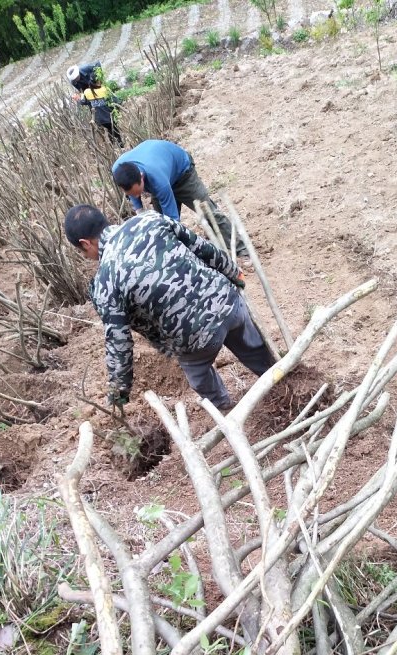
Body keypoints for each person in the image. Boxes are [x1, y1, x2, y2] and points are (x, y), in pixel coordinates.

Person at [64, 204, 275, 412]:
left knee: (198, 374)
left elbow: (119, 343)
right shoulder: (150, 219)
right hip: (228, 304)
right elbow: (203, 248)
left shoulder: (104, 282)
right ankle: (279, 381)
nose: (87, 257)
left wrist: (119, 392)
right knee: (253, 347)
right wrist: (234, 274)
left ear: (85, 243)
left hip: (195, 340)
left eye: (83, 253)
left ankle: (225, 409)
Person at [111, 139, 248, 256]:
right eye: (131, 194)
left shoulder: (158, 181)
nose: (136, 196)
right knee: (159, 226)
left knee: (208, 212)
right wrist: (140, 212)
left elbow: (173, 221)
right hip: (160, 169)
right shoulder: (119, 170)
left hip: (182, 173)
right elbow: (133, 193)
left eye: (138, 192)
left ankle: (242, 250)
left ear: (141, 177)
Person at [66, 62, 122, 146]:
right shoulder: (103, 90)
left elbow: (98, 65)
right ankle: (117, 141)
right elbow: (115, 100)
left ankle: (113, 139)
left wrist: (81, 99)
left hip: (94, 93)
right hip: (94, 97)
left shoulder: (87, 68)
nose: (76, 81)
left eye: (77, 78)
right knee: (109, 123)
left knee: (105, 119)